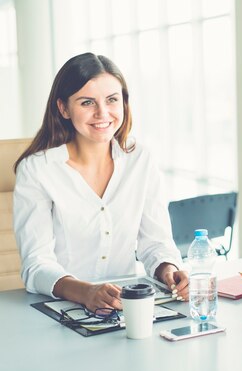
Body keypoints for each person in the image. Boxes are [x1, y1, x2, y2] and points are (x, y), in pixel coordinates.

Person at [13, 52, 188, 313]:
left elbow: (156, 243)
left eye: (112, 100)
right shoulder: (38, 170)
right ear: (63, 108)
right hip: (61, 311)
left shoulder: (140, 159)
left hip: (128, 309)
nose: (102, 113)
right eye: (87, 103)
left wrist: (169, 270)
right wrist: (86, 292)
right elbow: (36, 265)